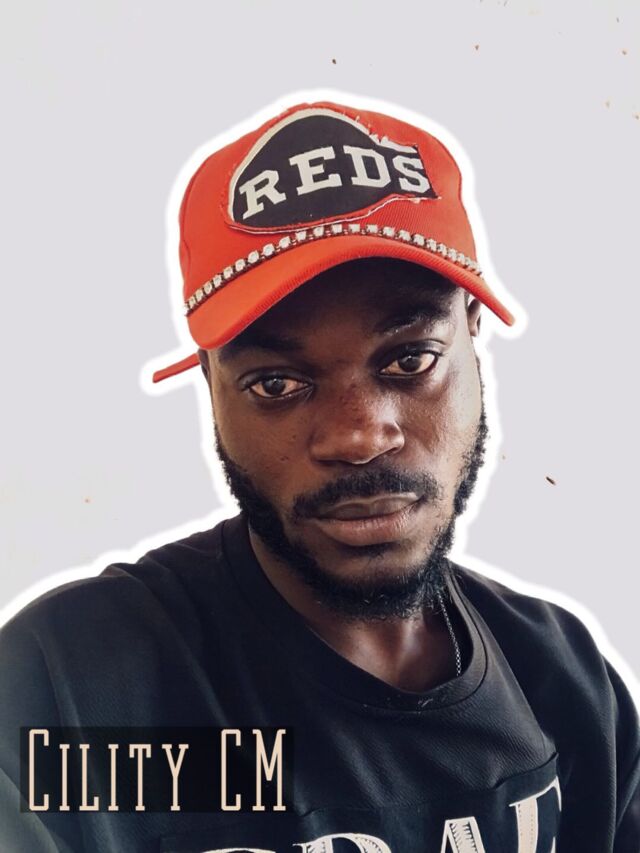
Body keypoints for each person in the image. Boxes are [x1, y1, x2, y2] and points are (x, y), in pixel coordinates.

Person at [1, 100, 638, 853]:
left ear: (473, 332)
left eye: (410, 359)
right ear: (210, 386)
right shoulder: (70, 692)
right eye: (276, 383)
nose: (359, 435)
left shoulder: (565, 683)